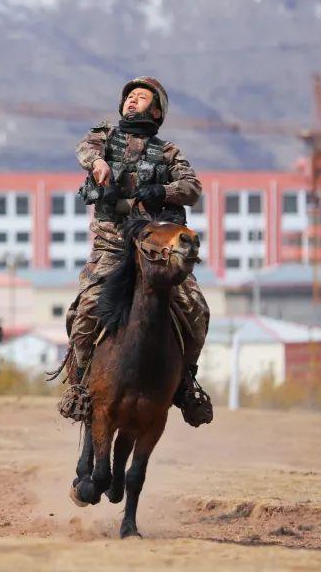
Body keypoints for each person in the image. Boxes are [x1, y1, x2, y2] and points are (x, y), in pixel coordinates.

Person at [61, 76, 213, 426]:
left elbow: (191, 189)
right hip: (112, 248)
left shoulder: (170, 152)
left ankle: (187, 383)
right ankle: (80, 385)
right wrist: (97, 165)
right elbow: (86, 150)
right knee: (83, 310)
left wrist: (162, 191)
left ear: (156, 110)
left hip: (156, 251)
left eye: (141, 97)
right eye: (129, 96)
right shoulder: (104, 138)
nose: (132, 101)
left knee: (196, 309)